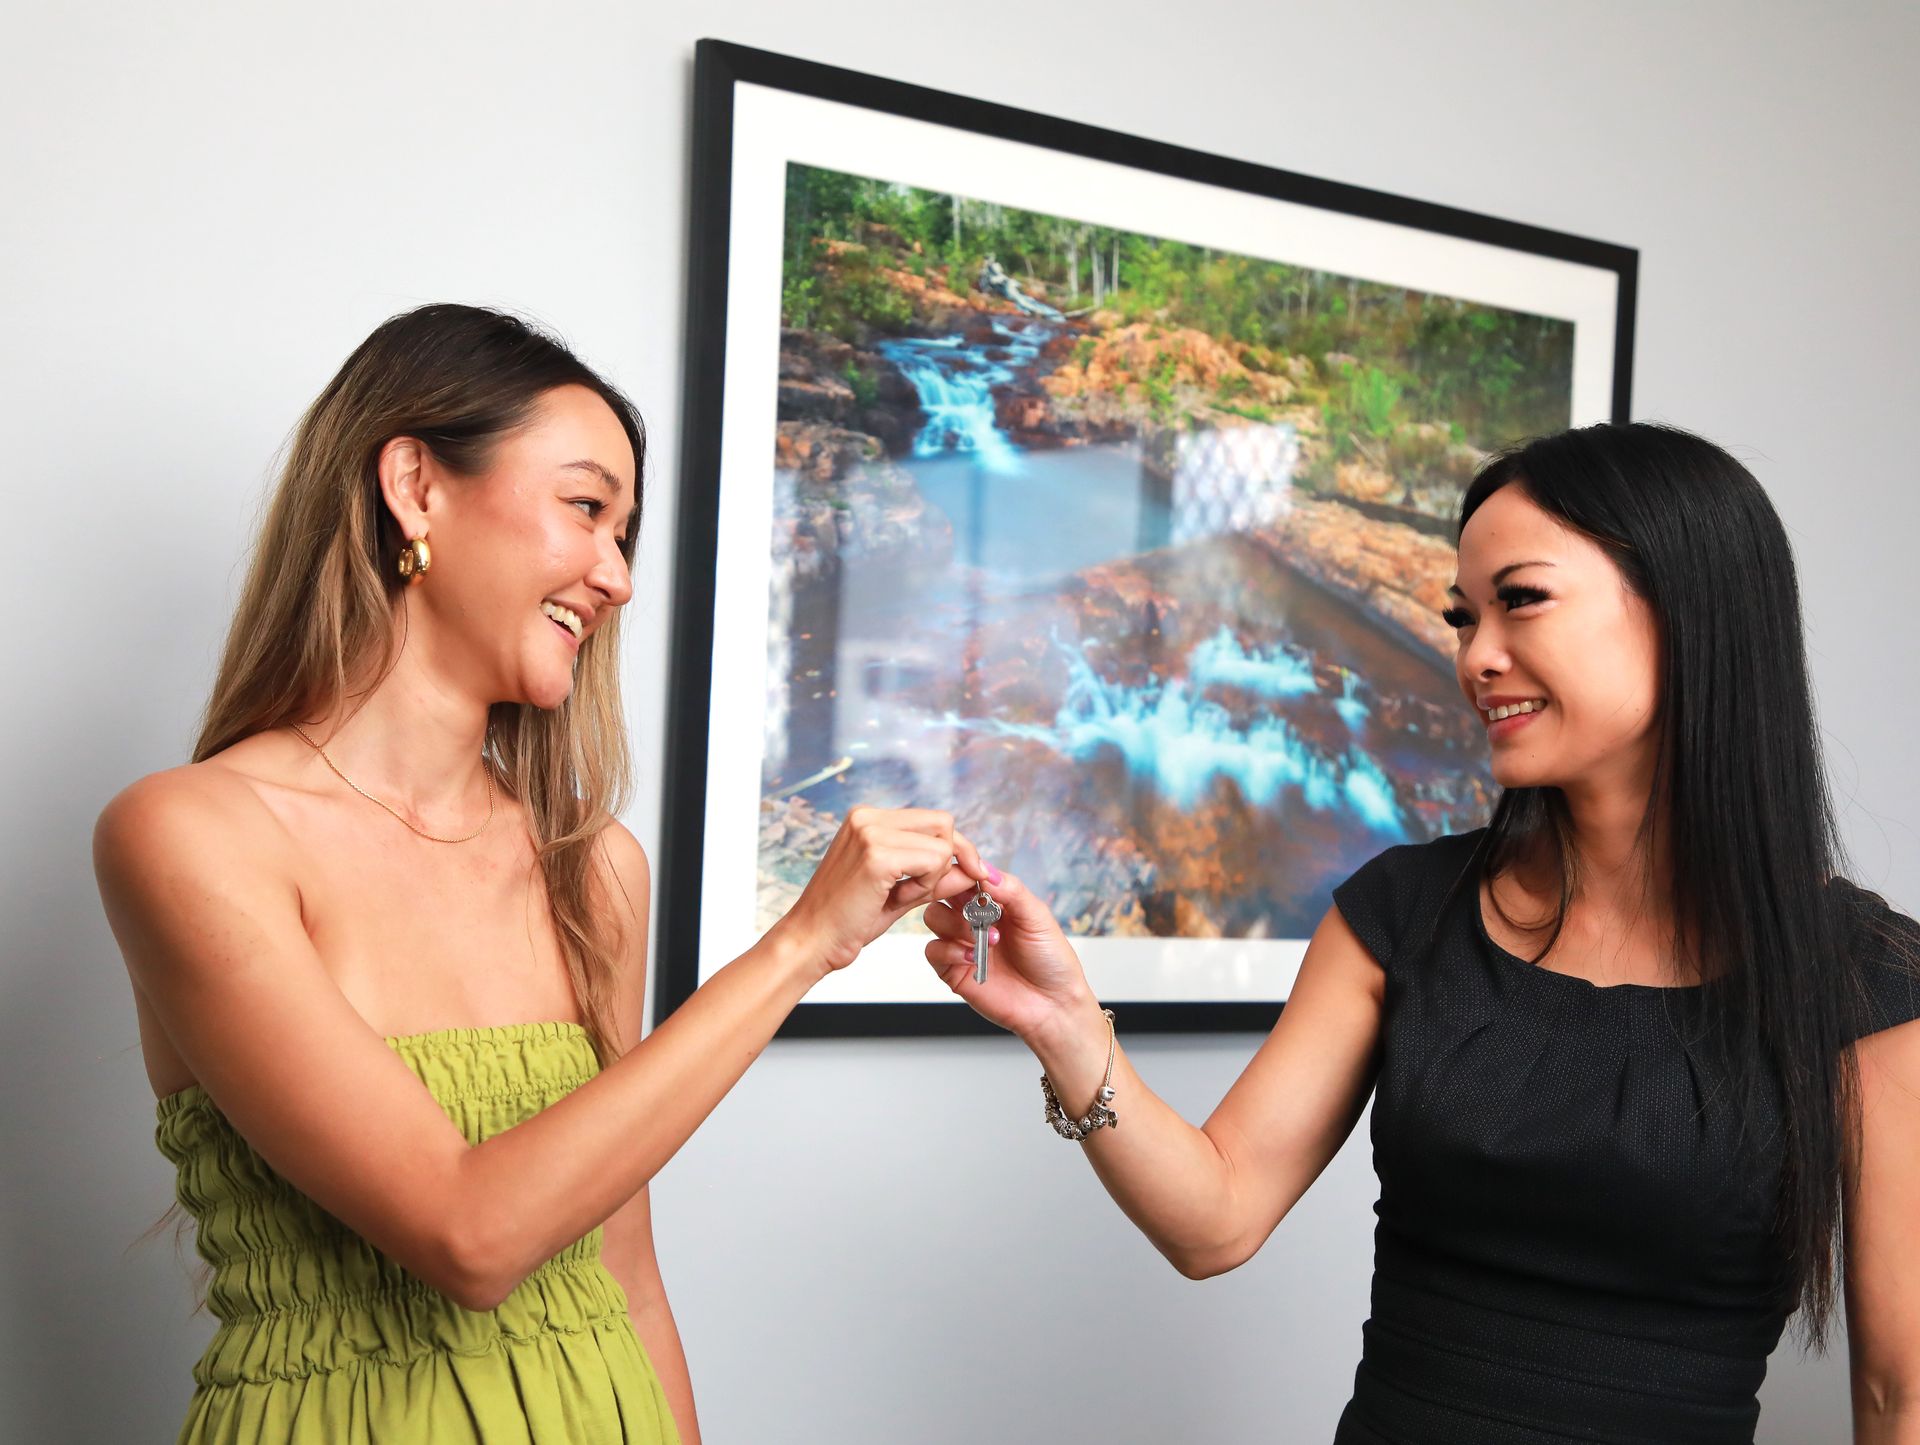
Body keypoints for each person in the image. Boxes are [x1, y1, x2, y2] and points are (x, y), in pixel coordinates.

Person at [91, 303, 991, 1445]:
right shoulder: (191, 834)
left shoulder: (594, 869)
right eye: (587, 509)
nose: (614, 576)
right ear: (415, 484)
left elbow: (628, 1278)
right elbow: (466, 1233)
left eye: (625, 536)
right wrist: (802, 942)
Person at [923, 421, 1920, 1443]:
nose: (1477, 655)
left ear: (1689, 607)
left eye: (1520, 600)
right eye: (1462, 616)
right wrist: (1068, 1026)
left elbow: (1900, 1392)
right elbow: (1215, 1218)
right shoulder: (1404, 911)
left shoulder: (1868, 980)